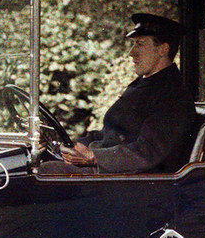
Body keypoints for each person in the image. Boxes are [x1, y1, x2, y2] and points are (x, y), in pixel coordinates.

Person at [46, 13, 194, 175]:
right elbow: (112, 133)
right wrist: (72, 145)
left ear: (163, 49)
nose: (131, 52)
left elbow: (148, 152)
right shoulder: (146, 85)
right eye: (133, 44)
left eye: (140, 44)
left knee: (40, 172)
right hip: (114, 173)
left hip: (135, 183)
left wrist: (94, 157)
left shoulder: (172, 95)